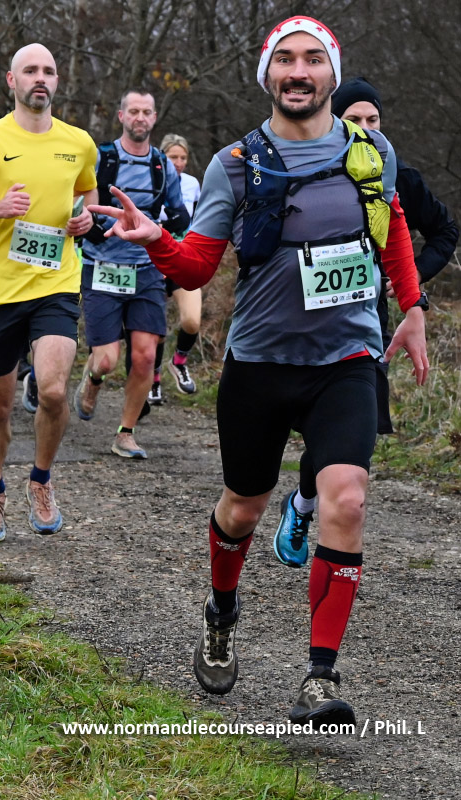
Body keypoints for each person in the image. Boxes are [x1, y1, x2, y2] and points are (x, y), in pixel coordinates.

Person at [88, 15, 428, 728]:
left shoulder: (371, 150)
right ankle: (220, 612)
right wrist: (155, 240)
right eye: (285, 60)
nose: (298, 71)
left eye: (313, 59)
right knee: (243, 507)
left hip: (347, 359)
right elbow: (197, 266)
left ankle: (320, 677)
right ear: (267, 74)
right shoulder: (236, 163)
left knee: (347, 498)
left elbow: (393, 222)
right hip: (261, 363)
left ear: (332, 73)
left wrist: (413, 306)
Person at [273, 76, 459, 570]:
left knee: (353, 428)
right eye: (353, 119)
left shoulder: (397, 174)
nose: (365, 128)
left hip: (365, 317)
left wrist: (410, 283)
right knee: (310, 423)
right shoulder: (311, 168)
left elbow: (445, 231)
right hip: (302, 317)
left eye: (373, 120)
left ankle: (307, 509)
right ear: (334, 120)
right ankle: (299, 503)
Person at [0, 42, 97, 543]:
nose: (41, 77)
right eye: (30, 70)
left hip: (56, 283)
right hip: (0, 291)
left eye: (49, 71)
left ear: (57, 81)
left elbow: (88, 193)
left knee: (53, 390)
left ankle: (41, 479)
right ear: (11, 81)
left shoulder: (79, 142)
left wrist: (84, 217)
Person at [74, 89, 189, 459]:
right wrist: (84, 223)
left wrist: (172, 242)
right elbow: (76, 201)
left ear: (154, 118)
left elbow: (180, 215)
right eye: (134, 111)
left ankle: (126, 433)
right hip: (102, 266)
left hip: (146, 270)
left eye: (147, 112)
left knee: (144, 356)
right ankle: (93, 379)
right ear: (121, 116)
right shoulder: (101, 158)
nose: (140, 118)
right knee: (106, 359)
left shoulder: (162, 165)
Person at [146, 133, 202, 405]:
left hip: (183, 258)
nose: (178, 163)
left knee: (192, 321)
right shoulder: (149, 181)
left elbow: (198, 219)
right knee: (156, 330)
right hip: (154, 260)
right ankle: (153, 378)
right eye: (172, 158)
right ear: (161, 158)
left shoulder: (192, 184)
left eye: (183, 158)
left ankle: (178, 362)